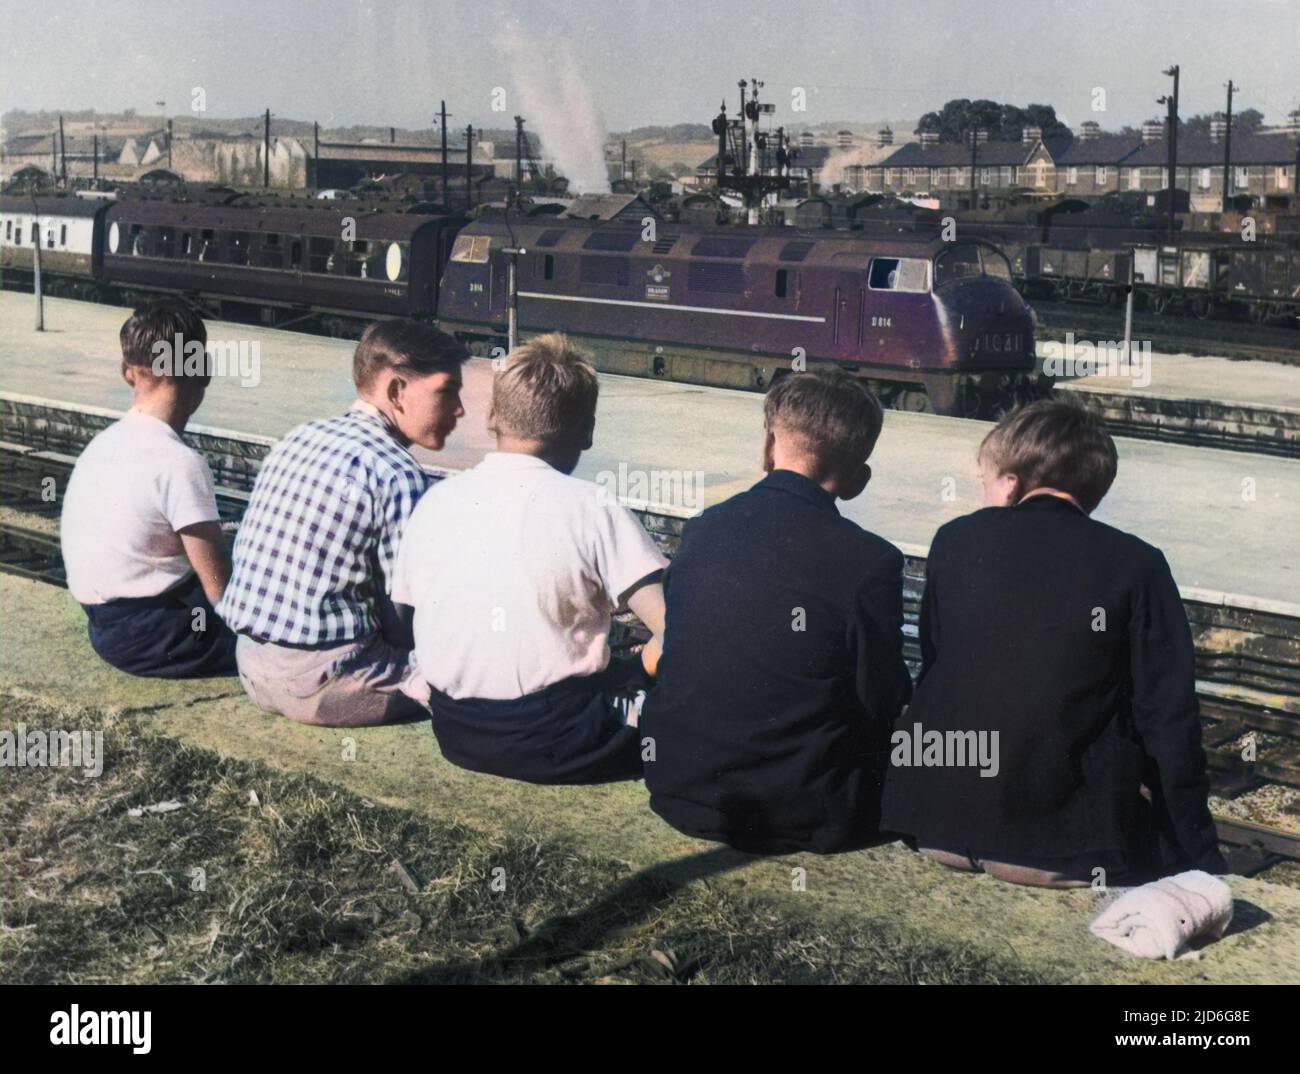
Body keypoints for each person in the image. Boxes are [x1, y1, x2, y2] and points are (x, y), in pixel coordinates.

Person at [880, 397, 1227, 887]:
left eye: (985, 478)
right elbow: (1168, 718)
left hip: (929, 824)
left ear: (1012, 481)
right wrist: (1202, 857)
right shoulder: (1136, 563)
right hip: (1054, 850)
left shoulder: (954, 540)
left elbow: (937, 662)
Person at [640, 371, 912, 854]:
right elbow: (881, 701)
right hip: (807, 811)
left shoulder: (704, 530)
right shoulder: (871, 562)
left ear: (768, 448)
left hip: (679, 790)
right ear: (858, 481)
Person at [392, 333, 667, 784]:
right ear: (587, 430)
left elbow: (411, 617)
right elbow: (676, 631)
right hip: (560, 739)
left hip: (456, 732)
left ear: (494, 417)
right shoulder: (591, 506)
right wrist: (640, 667)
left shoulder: (436, 501)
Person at [217, 319, 466, 726]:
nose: (459, 410)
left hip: (251, 666)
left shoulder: (298, 436)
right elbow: (403, 620)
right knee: (472, 678)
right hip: (327, 685)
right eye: (447, 391)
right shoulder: (397, 473)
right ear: (397, 391)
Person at [61, 298, 236, 678]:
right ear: (201, 371)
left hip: (105, 629)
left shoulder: (102, 444)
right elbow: (221, 593)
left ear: (128, 373)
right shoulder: (180, 462)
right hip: (162, 638)